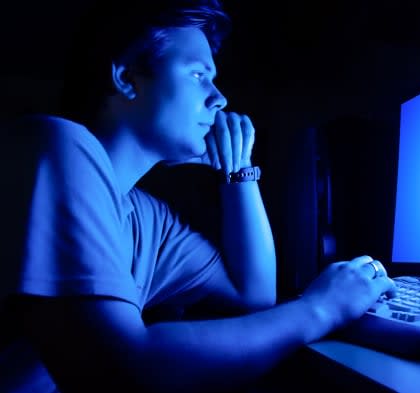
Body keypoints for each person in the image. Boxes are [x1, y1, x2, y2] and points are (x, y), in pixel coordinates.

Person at [0, 1, 396, 392]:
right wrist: (321, 308)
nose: (219, 98)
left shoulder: (146, 218)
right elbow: (122, 370)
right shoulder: (51, 145)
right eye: (197, 75)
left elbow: (253, 296)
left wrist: (238, 172)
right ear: (126, 77)